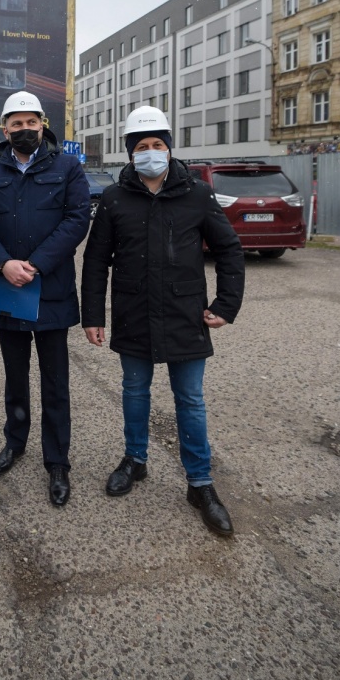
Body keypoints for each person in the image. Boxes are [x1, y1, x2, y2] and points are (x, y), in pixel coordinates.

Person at [81, 106, 244, 536]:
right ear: (130, 154)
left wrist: (226, 305)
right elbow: (96, 260)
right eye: (141, 147)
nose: (150, 153)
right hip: (134, 313)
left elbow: (229, 249)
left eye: (157, 145)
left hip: (185, 314)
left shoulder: (196, 193)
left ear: (170, 149)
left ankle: (200, 483)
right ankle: (135, 460)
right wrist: (93, 315)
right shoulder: (115, 198)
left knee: (190, 399)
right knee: (134, 390)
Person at [0, 92, 89, 507]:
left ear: (43, 124)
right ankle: (15, 442)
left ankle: (57, 461)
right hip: (8, 291)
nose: (24, 130)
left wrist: (35, 264)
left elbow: (77, 220)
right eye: (15, 124)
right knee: (15, 378)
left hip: (50, 290)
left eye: (30, 123)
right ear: (4, 130)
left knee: (56, 383)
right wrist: (3, 264)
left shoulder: (68, 168)